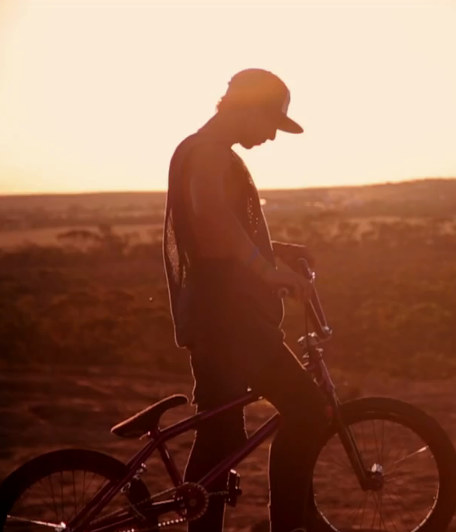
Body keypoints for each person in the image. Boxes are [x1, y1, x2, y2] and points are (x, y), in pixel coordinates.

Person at [163, 68, 323, 532]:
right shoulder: (209, 154)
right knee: (308, 410)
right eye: (272, 122)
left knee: (220, 437)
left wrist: (279, 252)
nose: (273, 136)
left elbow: (225, 229)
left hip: (214, 316)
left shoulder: (201, 150)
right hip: (228, 319)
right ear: (249, 109)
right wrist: (267, 271)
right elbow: (212, 221)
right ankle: (290, 525)